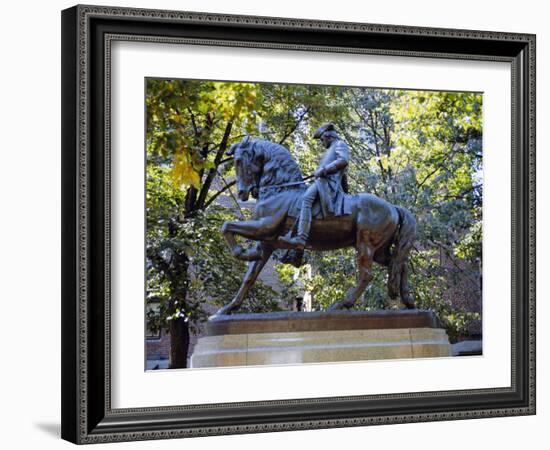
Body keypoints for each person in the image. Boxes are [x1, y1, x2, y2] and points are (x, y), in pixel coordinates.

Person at [279, 123, 350, 249]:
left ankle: (301, 238)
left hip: (328, 184)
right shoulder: (329, 150)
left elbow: (343, 160)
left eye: (322, 140)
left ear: (329, 136)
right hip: (322, 183)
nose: (322, 143)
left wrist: (324, 169)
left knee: (305, 200)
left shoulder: (340, 144)